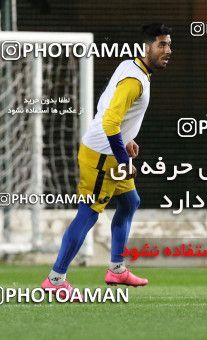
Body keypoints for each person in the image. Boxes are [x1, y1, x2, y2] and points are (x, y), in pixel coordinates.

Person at [41, 23, 172, 295]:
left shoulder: (131, 67)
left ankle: (116, 269)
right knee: (88, 214)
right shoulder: (134, 80)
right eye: (161, 45)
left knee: (129, 202)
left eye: (169, 45)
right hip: (103, 156)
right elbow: (111, 122)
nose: (167, 50)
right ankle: (55, 279)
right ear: (146, 47)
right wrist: (123, 158)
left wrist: (127, 139)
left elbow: (107, 108)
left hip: (110, 150)